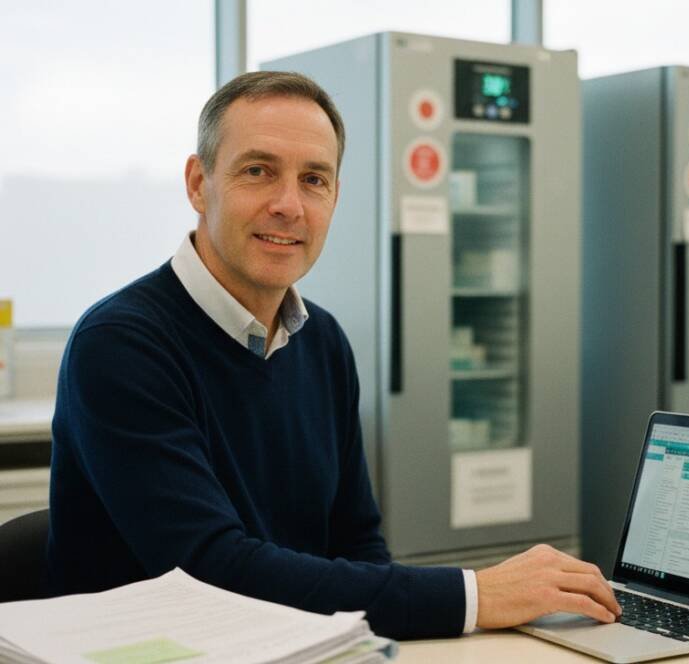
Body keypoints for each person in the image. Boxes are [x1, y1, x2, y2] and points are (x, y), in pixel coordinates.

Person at [47, 71, 620, 640]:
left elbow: (358, 545)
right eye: (258, 171)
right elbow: (210, 571)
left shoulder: (321, 340)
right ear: (199, 184)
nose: (289, 205)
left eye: (314, 179)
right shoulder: (121, 344)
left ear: (335, 196)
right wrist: (475, 595)